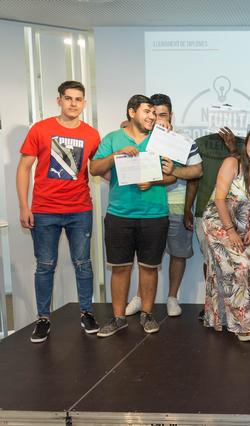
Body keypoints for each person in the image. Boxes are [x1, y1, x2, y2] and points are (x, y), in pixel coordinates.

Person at [17, 80, 101, 343]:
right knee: (45, 266)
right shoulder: (40, 129)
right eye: (68, 98)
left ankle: (87, 313)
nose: (73, 103)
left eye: (78, 99)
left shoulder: (91, 134)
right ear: (59, 100)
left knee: (83, 264)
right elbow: (23, 168)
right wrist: (24, 206)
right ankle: (43, 318)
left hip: (80, 209)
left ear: (84, 103)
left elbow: (99, 169)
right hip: (44, 210)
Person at [90, 95, 176, 337]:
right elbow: (94, 168)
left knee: (149, 268)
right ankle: (119, 318)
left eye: (154, 113)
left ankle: (147, 314)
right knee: (120, 268)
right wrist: (116, 155)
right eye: (147, 111)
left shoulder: (161, 139)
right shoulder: (113, 138)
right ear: (131, 112)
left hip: (154, 214)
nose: (152, 116)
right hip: (119, 214)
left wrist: (154, 181)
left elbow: (173, 176)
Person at [124, 94, 203, 318]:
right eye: (154, 114)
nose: (158, 119)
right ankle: (139, 297)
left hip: (177, 206)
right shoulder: (140, 138)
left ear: (171, 115)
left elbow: (197, 171)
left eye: (163, 115)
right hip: (148, 206)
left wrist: (175, 172)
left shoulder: (183, 141)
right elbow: (124, 127)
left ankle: (172, 297)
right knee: (146, 256)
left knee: (178, 253)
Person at [201, 128, 250, 341]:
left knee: (246, 267)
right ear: (245, 145)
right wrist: (230, 232)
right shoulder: (232, 163)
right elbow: (219, 199)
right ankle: (242, 325)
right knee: (241, 266)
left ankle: (219, 318)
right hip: (218, 221)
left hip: (243, 226)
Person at [185, 126, 243, 321]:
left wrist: (233, 150)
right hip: (205, 214)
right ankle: (212, 305)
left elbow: (248, 174)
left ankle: (234, 307)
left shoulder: (247, 145)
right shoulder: (200, 144)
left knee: (236, 264)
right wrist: (187, 209)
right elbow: (194, 179)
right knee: (210, 263)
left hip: (236, 216)